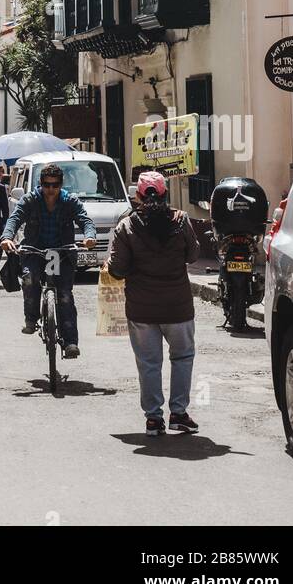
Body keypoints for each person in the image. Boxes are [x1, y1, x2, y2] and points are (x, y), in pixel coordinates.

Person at [105, 170, 201, 435]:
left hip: (142, 310)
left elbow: (117, 270)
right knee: (182, 358)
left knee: (149, 363)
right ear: (165, 194)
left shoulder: (127, 226)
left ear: (137, 197)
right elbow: (193, 255)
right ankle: (179, 414)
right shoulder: (180, 221)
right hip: (178, 307)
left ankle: (153, 419)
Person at [1, 163, 96, 355]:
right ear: (40, 183)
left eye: (55, 185)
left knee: (65, 296)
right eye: (46, 185)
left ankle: (70, 342)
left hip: (62, 253)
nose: (50, 189)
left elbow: (85, 220)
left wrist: (90, 236)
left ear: (61, 185)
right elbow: (15, 218)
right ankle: (31, 318)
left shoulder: (70, 201)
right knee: (29, 279)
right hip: (34, 251)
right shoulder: (30, 200)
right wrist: (6, 237)